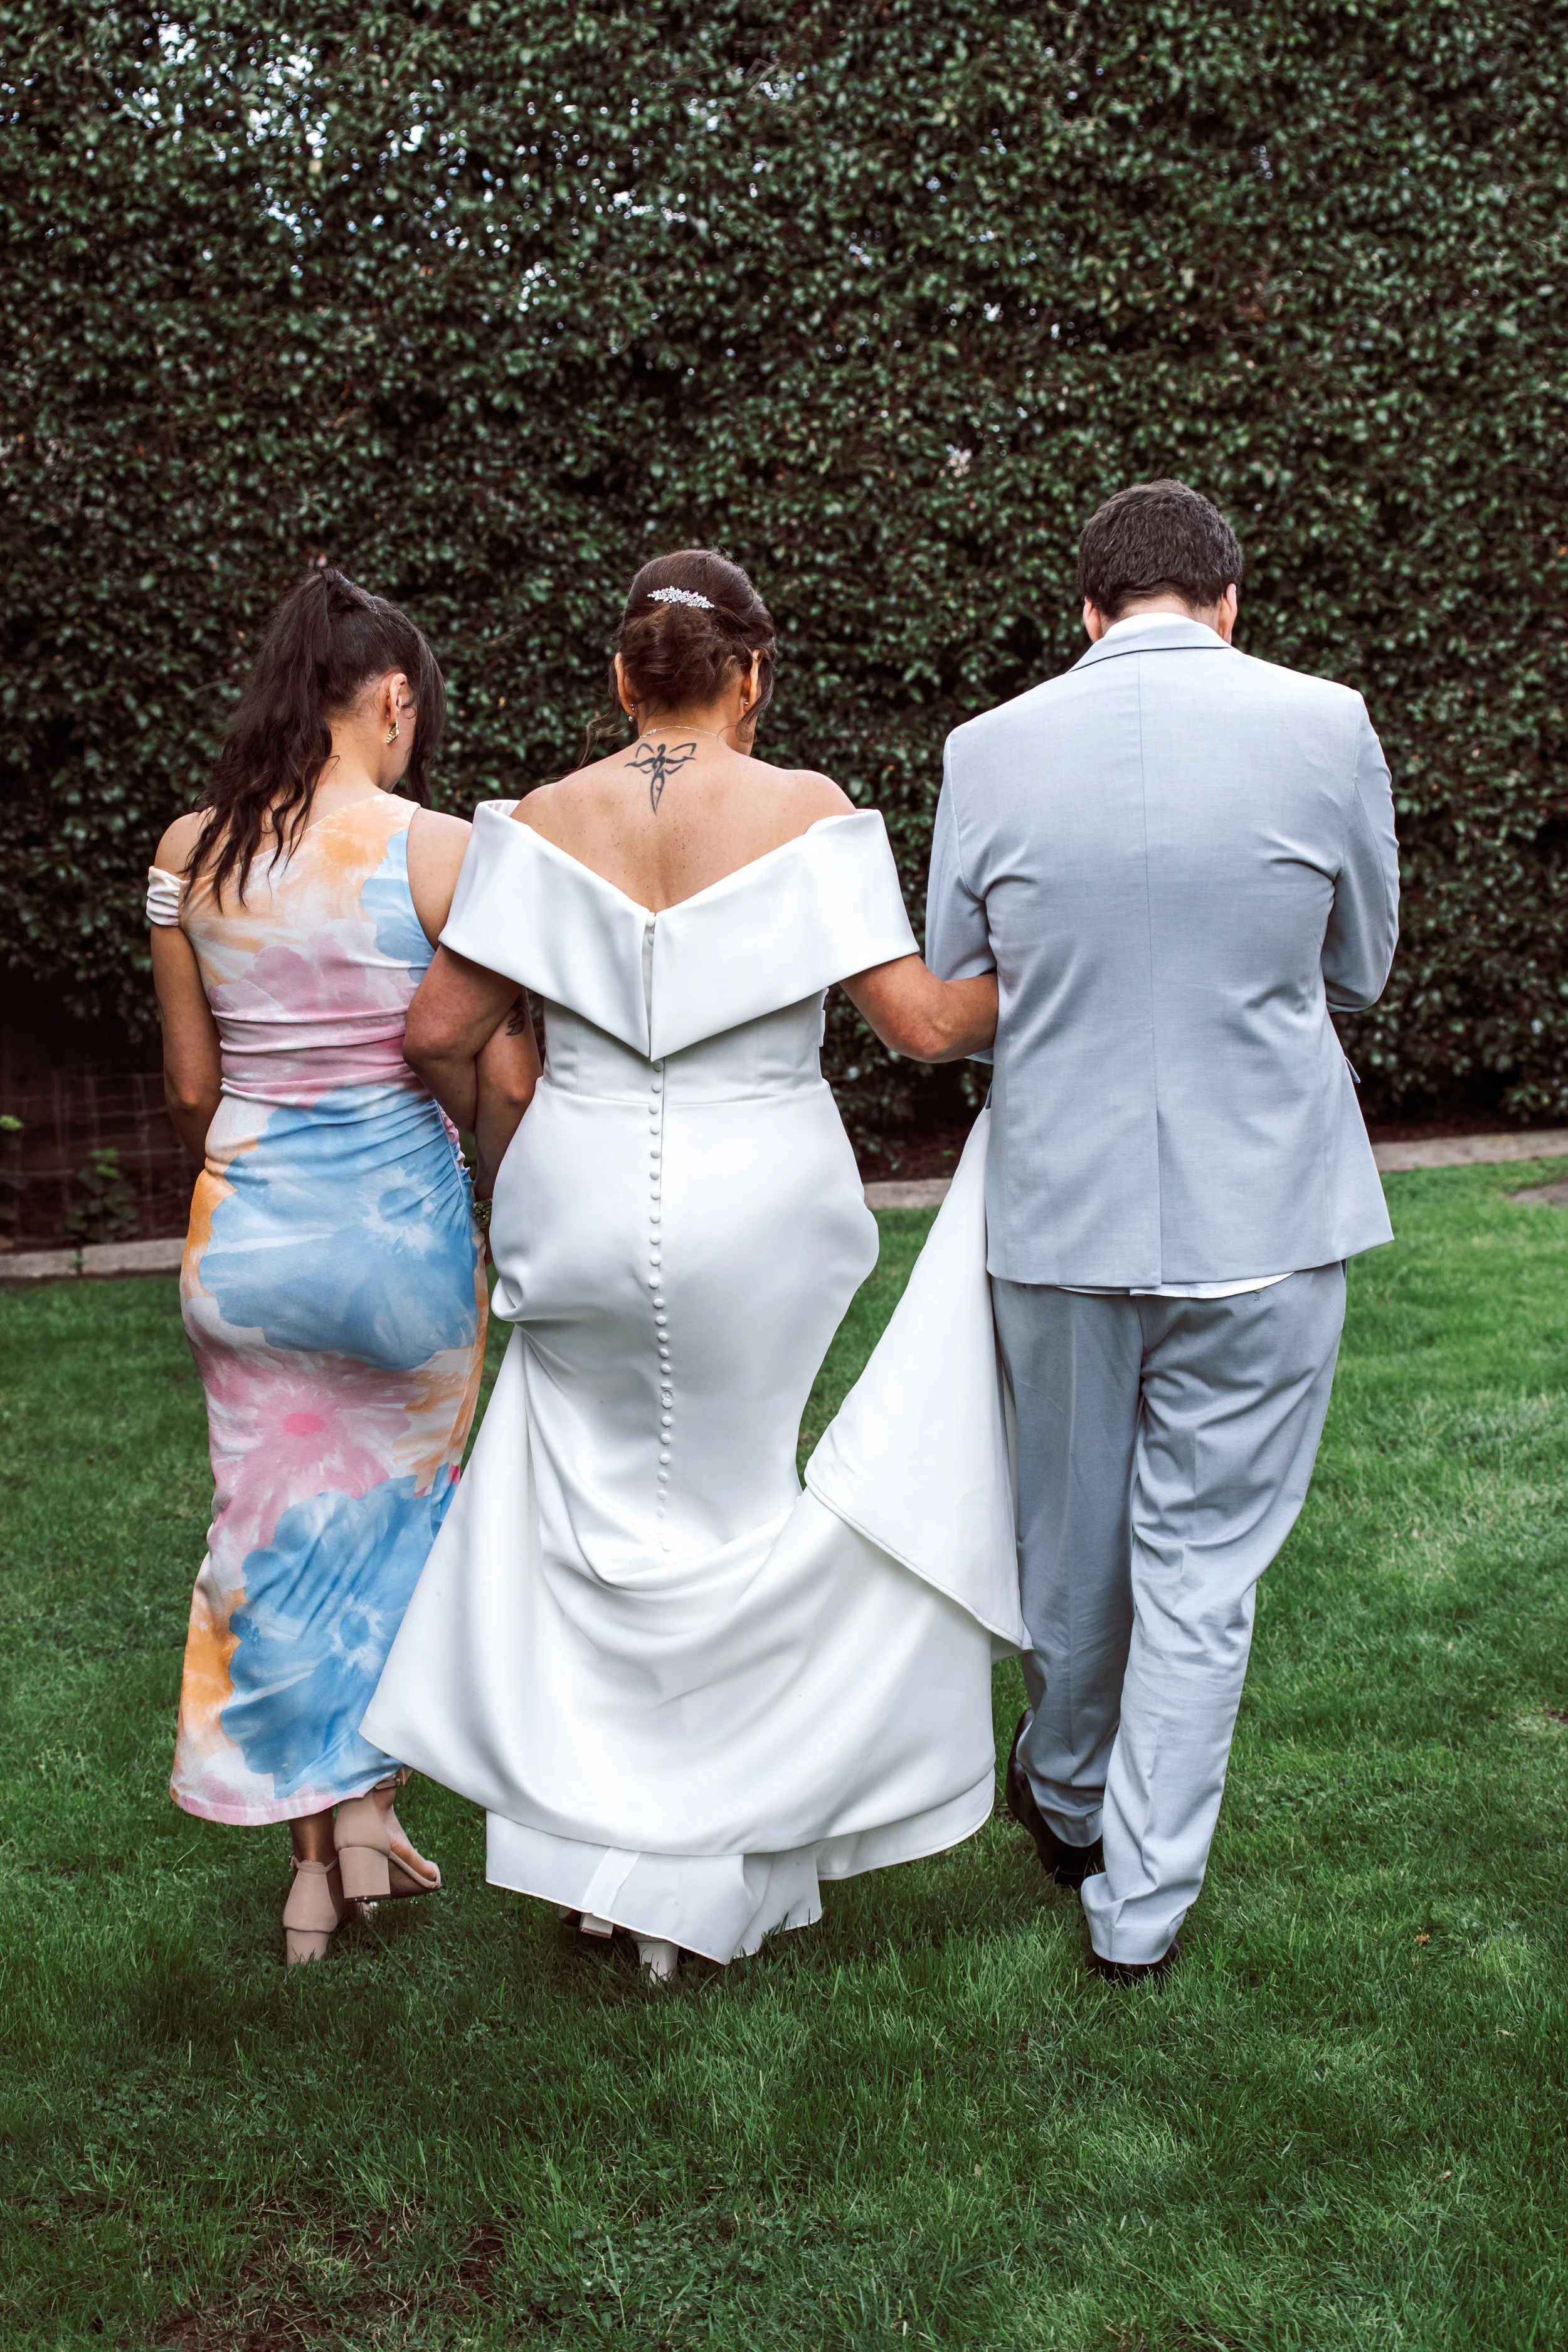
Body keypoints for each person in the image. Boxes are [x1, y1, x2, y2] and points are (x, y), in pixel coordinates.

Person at [364, 548, 1013, 1983]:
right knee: (728, 1524)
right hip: (757, 1211)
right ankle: (699, 1877)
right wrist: (1065, 968)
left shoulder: (539, 822)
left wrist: (544, 1085)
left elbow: (433, 1036)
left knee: (599, 1531)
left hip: (581, 1200)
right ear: (750, 677)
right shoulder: (808, 814)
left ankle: (606, 1872)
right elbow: (915, 1024)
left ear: (621, 677)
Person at [926, 479, 1400, 1981]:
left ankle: (1066, 1800)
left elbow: (954, 978)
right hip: (1266, 1206)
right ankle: (1136, 1908)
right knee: (1199, 1573)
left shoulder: (985, 748)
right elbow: (1363, 963)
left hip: (1057, 1211)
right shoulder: (1326, 724)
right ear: (1226, 599)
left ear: (1085, 610)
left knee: (1067, 1550)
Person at [149, 568, 538, 1965]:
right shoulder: (441, 851)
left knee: (270, 1539)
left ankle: (325, 1861)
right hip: (395, 1242)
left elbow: (192, 1093)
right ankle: (367, 1807)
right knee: (397, 1535)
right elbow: (497, 1065)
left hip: (242, 1238)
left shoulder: (188, 853)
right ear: (390, 699)